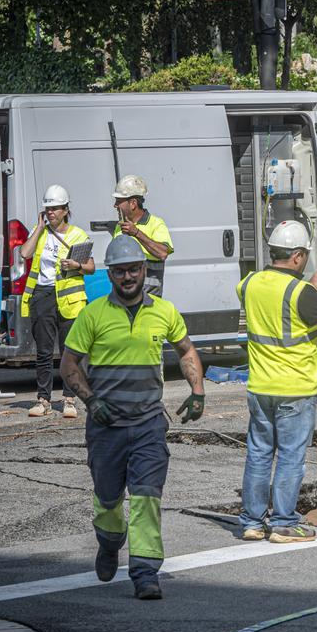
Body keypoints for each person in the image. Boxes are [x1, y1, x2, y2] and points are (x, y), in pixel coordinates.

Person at [59, 235, 205, 600]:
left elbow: (186, 351)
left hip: (148, 425)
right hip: (106, 427)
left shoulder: (164, 311)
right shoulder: (92, 315)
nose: (128, 277)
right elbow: (69, 365)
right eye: (121, 271)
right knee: (108, 500)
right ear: (110, 274)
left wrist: (198, 390)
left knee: (146, 498)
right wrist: (92, 402)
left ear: (144, 270)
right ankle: (109, 542)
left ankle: (144, 572)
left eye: (134, 269)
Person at [235, 220, 317, 543]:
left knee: (259, 453)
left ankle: (252, 521)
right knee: (290, 457)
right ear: (298, 256)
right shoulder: (301, 293)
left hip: (260, 386)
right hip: (296, 388)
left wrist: (311, 287)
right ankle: (284, 522)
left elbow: (280, 305)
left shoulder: (249, 284)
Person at [18, 185, 95, 418]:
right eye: (47, 209)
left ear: (65, 210)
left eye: (55, 208)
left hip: (69, 300)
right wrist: (39, 228)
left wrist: (76, 266)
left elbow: (91, 267)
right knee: (43, 351)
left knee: (68, 351)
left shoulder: (77, 235)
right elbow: (24, 253)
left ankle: (69, 399)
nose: (50, 212)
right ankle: (43, 399)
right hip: (43, 296)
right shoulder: (40, 231)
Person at [111, 175, 173, 296]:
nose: (115, 205)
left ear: (133, 203)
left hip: (150, 299)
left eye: (119, 201)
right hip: (125, 298)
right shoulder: (120, 227)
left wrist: (136, 233)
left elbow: (162, 253)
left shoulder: (156, 223)